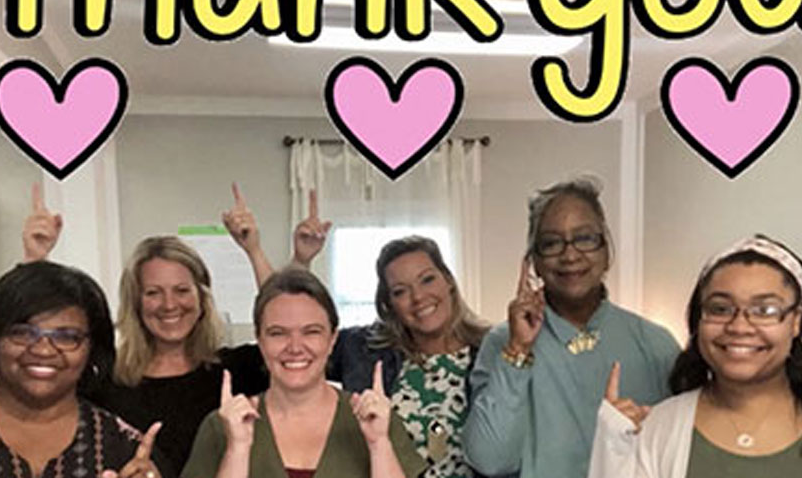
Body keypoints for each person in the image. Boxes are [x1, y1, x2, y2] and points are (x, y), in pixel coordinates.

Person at [589, 235, 802, 478]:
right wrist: (613, 451)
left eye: (765, 310)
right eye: (720, 308)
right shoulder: (661, 428)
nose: (739, 325)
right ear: (698, 320)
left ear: (797, 320)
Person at [21, 183, 268, 474]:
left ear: (202, 298)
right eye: (153, 292)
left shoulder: (234, 373)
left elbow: (289, 323)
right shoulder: (104, 380)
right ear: (135, 302)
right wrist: (34, 260)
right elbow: (27, 362)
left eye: (181, 290)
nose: (169, 304)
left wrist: (254, 251)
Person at [242, 193, 488, 478]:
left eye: (427, 279)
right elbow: (286, 321)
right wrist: (294, 259)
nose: (418, 297)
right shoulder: (364, 348)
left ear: (448, 281)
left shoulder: (491, 352)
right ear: (389, 303)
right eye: (400, 291)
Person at [463, 178, 680, 478]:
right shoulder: (503, 342)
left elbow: (679, 456)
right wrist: (518, 351)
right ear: (534, 262)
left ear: (607, 251)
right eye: (551, 243)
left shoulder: (656, 344)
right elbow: (491, 460)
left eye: (585, 238)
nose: (570, 255)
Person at [0, 261, 168, 478]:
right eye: (22, 333)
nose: (43, 350)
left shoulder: (123, 447)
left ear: (92, 349)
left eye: (67, 336)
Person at [179, 268, 427, 478]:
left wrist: (379, 445)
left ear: (332, 340)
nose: (295, 347)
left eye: (311, 332)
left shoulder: (377, 420)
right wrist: (238, 449)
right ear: (260, 341)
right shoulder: (222, 426)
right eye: (278, 333)